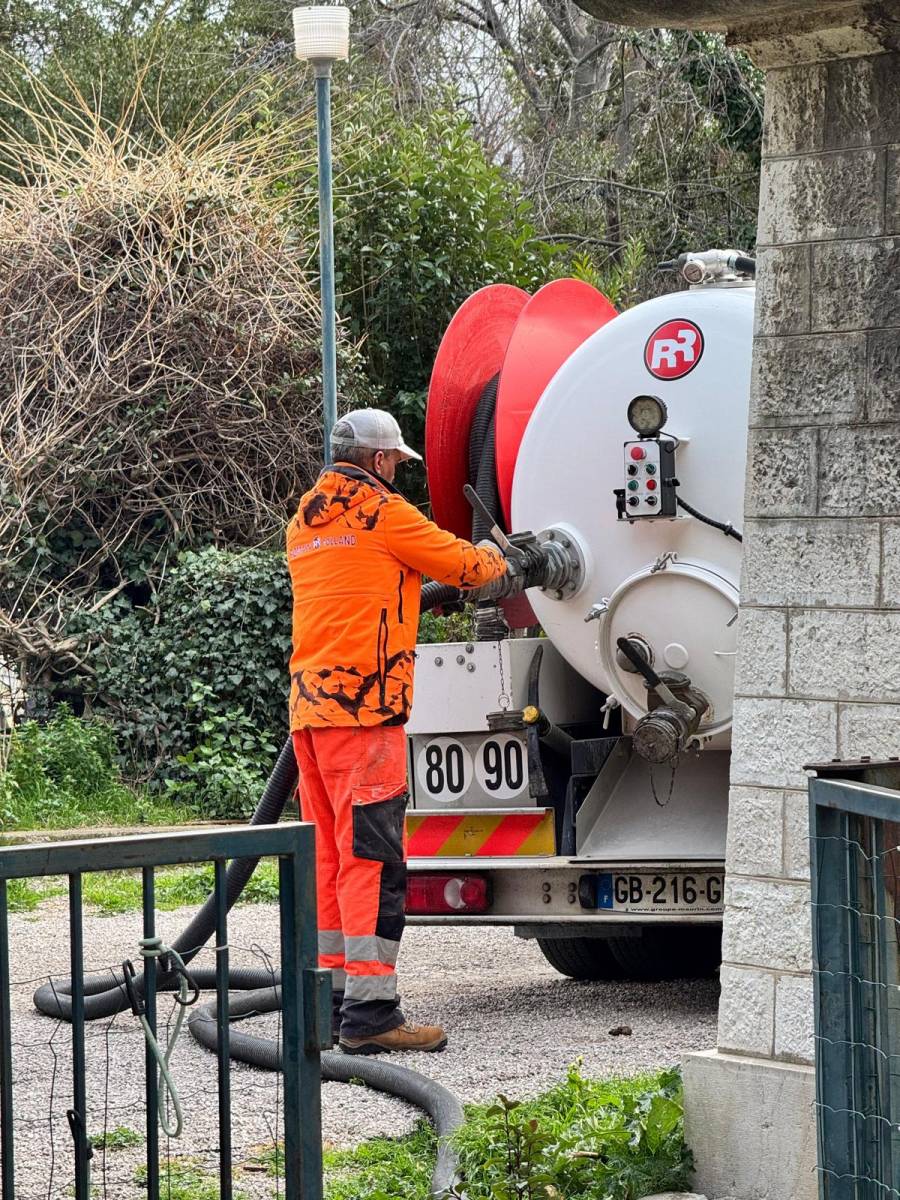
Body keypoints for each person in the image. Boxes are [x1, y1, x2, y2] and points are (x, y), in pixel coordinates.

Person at [287, 408, 507, 1054]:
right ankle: (373, 1015)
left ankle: (331, 1005)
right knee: (373, 863)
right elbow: (469, 569)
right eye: (397, 466)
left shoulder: (304, 520)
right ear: (382, 462)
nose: (397, 476)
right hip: (366, 713)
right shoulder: (383, 513)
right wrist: (501, 555)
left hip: (310, 716)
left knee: (328, 859)